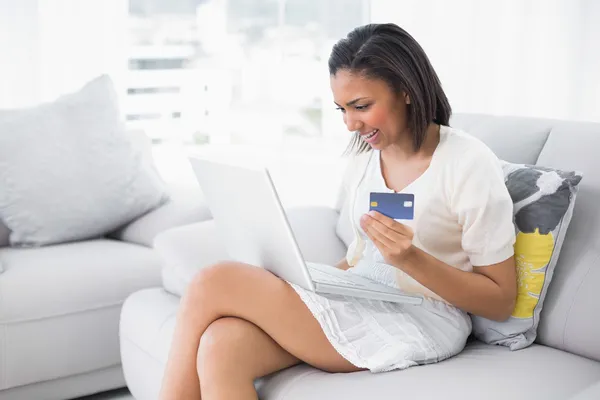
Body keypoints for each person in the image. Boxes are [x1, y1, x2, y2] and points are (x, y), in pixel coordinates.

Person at [159, 23, 517, 400]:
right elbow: (359, 260)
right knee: (221, 346)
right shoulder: (366, 160)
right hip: (363, 295)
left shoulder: (468, 162)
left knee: (213, 282)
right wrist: (312, 282)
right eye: (342, 109)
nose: (350, 124)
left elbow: (500, 300)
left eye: (361, 107)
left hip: (425, 315)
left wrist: (411, 259)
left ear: (406, 90)